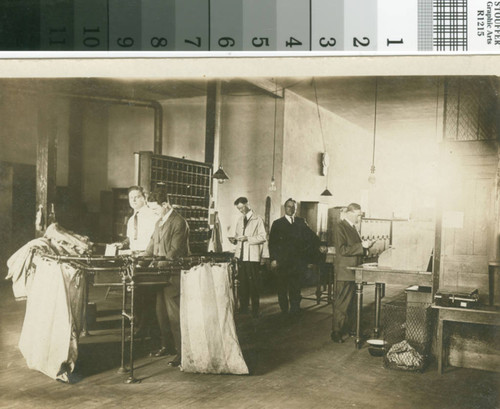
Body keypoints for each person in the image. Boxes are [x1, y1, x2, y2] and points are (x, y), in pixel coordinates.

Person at [144, 187, 190, 368]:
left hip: (173, 274)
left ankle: (182, 352)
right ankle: (167, 346)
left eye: (155, 209)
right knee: (161, 313)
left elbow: (174, 251)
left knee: (175, 316)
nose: (154, 213)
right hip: (159, 275)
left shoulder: (179, 222)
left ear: (165, 204)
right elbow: (151, 246)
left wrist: (155, 264)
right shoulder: (159, 223)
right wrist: (140, 261)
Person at [112, 186, 159, 346]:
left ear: (144, 197)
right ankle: (139, 328)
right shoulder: (132, 219)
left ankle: (146, 331)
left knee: (146, 297)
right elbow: (131, 239)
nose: (133, 200)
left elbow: (155, 239)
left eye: (137, 197)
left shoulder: (153, 215)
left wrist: (146, 257)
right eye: (131, 198)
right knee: (135, 296)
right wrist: (123, 244)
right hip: (133, 259)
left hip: (147, 259)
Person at [330, 203, 374, 343]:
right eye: (357, 215)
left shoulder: (353, 228)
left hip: (354, 271)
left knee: (352, 303)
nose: (359, 218)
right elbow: (342, 250)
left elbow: (355, 248)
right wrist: (362, 246)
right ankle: (336, 332)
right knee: (341, 303)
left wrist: (366, 248)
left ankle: (351, 329)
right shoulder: (340, 226)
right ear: (350, 212)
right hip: (345, 271)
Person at [268, 198, 320, 316]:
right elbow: (272, 244)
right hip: (282, 261)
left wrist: (321, 245)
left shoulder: (301, 222)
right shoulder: (277, 223)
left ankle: (295, 309)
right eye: (289, 207)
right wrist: (273, 259)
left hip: (297, 261)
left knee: (296, 286)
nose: (291, 209)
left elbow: (311, 236)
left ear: (296, 209)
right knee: (282, 287)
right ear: (285, 208)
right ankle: (284, 310)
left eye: (293, 207)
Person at [229, 197, 267, 318]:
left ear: (247, 204)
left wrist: (247, 239)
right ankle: (244, 307)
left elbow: (263, 237)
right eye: (238, 209)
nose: (240, 210)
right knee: (242, 284)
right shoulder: (240, 220)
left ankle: (255, 309)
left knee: (253, 284)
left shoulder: (258, 219)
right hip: (241, 256)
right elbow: (237, 235)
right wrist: (234, 240)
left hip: (252, 257)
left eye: (242, 207)